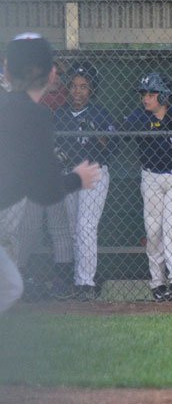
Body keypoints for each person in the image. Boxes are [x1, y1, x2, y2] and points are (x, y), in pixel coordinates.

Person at [1, 34, 101, 314]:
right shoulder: (35, 115)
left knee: (10, 285)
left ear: (7, 71)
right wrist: (78, 178)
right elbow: (44, 190)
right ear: (50, 74)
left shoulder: (20, 108)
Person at [122, 72, 172, 302]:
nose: (145, 98)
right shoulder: (139, 116)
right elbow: (122, 133)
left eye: (151, 94)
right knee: (153, 230)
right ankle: (158, 282)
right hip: (150, 177)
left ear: (164, 96)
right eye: (144, 94)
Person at [53, 61, 116, 301]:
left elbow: (111, 148)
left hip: (93, 172)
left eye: (83, 86)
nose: (77, 91)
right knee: (73, 230)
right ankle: (80, 280)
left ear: (92, 89)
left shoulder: (100, 113)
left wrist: (95, 133)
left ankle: (86, 283)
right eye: (73, 86)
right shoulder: (60, 114)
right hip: (69, 174)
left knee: (85, 227)